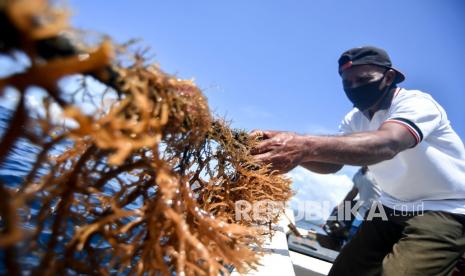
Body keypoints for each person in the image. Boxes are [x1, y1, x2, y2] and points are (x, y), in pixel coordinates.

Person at [250, 46, 465, 275]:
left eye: (363, 79)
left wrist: (303, 145)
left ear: (389, 77)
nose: (354, 88)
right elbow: (332, 164)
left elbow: (388, 143)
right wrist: (290, 151)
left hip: (444, 207)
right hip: (390, 205)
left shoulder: (416, 103)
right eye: (347, 83)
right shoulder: (354, 119)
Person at [324, 166, 381, 243]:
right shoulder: (359, 174)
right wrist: (341, 206)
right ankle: (336, 236)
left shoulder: (379, 173)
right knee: (340, 215)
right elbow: (353, 192)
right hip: (361, 211)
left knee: (357, 235)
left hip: (377, 212)